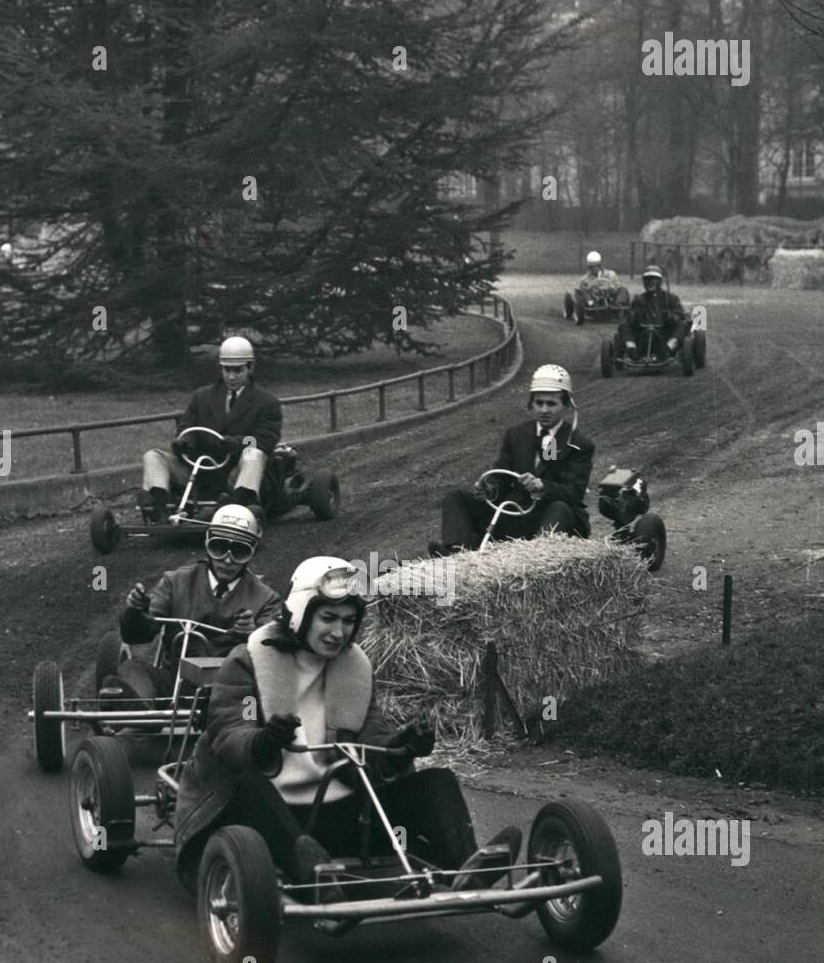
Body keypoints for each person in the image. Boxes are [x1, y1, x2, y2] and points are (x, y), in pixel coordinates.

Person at [174, 556, 521, 896]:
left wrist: (401, 746)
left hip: (335, 811)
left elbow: (369, 735)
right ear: (299, 614)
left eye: (348, 620)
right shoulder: (248, 660)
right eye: (327, 618)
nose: (338, 632)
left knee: (437, 780)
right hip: (262, 817)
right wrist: (263, 739)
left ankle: (466, 868)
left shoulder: (354, 668)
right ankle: (311, 877)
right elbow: (230, 734)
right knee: (247, 780)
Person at [100, 505, 281, 705]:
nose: (228, 559)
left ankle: (237, 725)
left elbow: (273, 658)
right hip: (176, 684)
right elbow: (137, 635)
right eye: (219, 547)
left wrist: (253, 633)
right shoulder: (175, 582)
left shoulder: (267, 599)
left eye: (239, 551)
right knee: (132, 668)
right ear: (207, 543)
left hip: (233, 694)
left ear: (252, 551)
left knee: (254, 700)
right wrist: (137, 611)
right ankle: (139, 718)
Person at [428, 365, 594, 555]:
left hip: (553, 516)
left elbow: (574, 492)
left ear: (566, 406)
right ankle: (459, 552)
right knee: (456, 497)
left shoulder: (578, 444)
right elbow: (501, 476)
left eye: (551, 404)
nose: (544, 410)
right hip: (516, 513)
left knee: (560, 508)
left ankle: (538, 559)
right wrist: (489, 489)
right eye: (539, 403)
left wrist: (543, 486)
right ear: (531, 404)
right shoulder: (517, 436)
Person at [137, 336, 282, 523]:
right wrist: (184, 442)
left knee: (254, 454)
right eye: (226, 370)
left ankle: (238, 506)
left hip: (236, 470)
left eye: (237, 370)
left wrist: (235, 443)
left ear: (250, 367)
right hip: (201, 470)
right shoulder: (202, 397)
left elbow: (262, 440)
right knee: (153, 455)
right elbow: (186, 426)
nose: (231, 376)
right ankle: (160, 504)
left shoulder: (266, 402)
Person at [619, 263, 687, 356]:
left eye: (654, 279)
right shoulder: (638, 300)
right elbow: (628, 319)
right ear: (644, 282)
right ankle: (631, 349)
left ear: (660, 281)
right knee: (623, 325)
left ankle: (668, 348)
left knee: (682, 324)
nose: (650, 282)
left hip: (664, 336)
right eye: (647, 279)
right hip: (642, 338)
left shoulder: (671, 298)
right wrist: (634, 317)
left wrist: (670, 316)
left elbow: (681, 316)